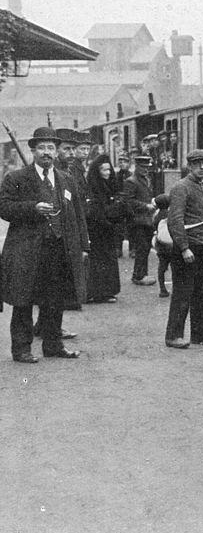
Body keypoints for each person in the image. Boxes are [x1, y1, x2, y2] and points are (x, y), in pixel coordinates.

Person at [0, 127, 90, 362]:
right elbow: (4, 208)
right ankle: (21, 349)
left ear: (56, 151)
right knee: (24, 300)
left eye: (51, 148)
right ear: (33, 150)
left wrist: (83, 246)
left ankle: (53, 345)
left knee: (55, 299)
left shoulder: (65, 179)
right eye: (41, 148)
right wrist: (32, 208)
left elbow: (77, 214)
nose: (46, 152)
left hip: (58, 249)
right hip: (27, 250)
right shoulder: (17, 178)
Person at [164, 149, 203, 349]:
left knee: (201, 293)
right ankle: (173, 336)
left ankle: (200, 334)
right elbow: (175, 220)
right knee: (182, 292)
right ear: (189, 166)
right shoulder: (182, 187)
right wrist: (183, 247)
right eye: (198, 164)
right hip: (188, 249)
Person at [84, 154, 126, 304]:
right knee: (98, 260)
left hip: (107, 229)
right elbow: (94, 210)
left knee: (107, 259)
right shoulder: (93, 187)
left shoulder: (111, 185)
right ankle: (97, 292)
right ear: (97, 171)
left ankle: (107, 291)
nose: (108, 173)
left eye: (109, 170)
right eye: (104, 170)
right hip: (97, 229)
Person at [120, 154, 157, 285]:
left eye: (147, 167)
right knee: (142, 248)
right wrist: (146, 206)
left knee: (146, 247)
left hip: (146, 219)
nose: (146, 170)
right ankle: (138, 275)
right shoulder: (131, 181)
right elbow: (127, 201)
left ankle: (142, 274)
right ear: (137, 166)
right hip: (137, 220)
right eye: (143, 167)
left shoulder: (146, 179)